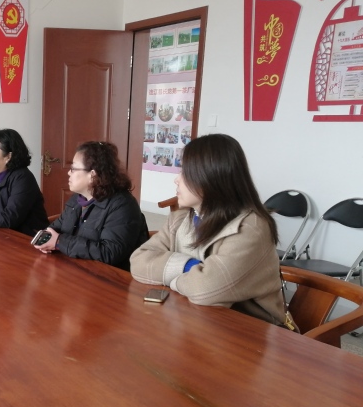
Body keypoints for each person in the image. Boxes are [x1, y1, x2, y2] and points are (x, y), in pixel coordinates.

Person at [130, 133, 286, 325]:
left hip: (250, 330)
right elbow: (138, 262)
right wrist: (188, 266)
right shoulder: (180, 218)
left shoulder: (250, 227)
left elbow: (204, 290)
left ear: (210, 177)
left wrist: (168, 275)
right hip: (195, 321)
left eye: (185, 172)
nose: (176, 180)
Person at [33, 141, 148, 270]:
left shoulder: (122, 205)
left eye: (73, 169)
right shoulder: (78, 198)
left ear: (92, 174)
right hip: (76, 269)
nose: (69, 173)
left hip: (110, 276)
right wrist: (47, 239)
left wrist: (59, 241)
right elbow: (56, 228)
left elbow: (109, 253)